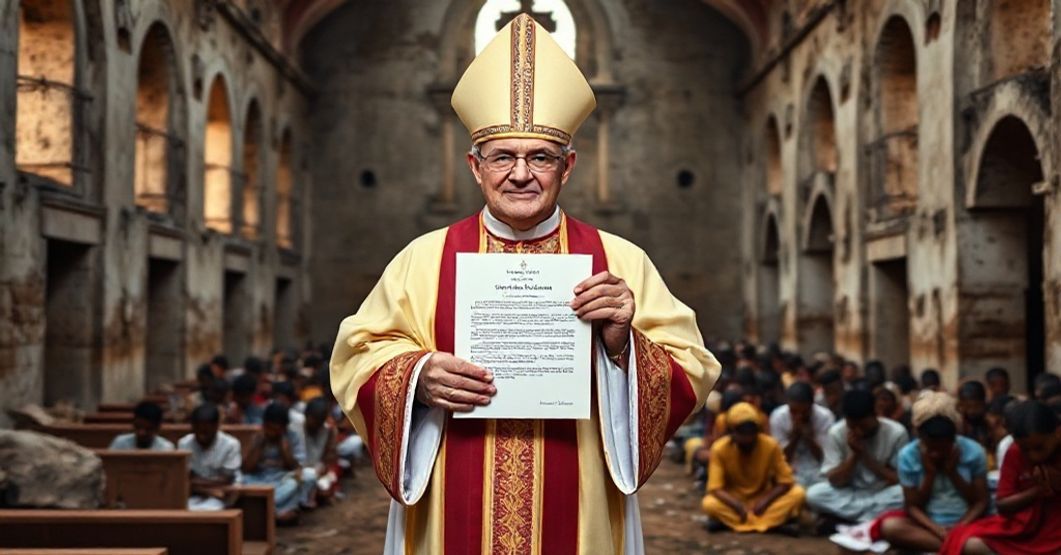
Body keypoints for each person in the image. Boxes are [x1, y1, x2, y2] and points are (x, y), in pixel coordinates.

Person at [329, 14, 719, 554]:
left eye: (540, 157)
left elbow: (693, 368)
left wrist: (622, 345)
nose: (520, 174)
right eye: (502, 158)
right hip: (451, 486)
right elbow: (356, 356)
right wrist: (416, 375)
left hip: (577, 487)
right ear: (475, 166)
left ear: (568, 167)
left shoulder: (619, 259)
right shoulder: (423, 259)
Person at [874, 391, 989, 552]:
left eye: (943, 449)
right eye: (931, 448)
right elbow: (913, 506)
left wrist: (953, 473)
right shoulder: (908, 455)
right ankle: (958, 548)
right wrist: (930, 474)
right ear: (920, 437)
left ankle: (953, 546)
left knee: (979, 542)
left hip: (968, 523)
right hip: (928, 526)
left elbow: (980, 502)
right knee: (890, 526)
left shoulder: (974, 451)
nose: (937, 454)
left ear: (953, 438)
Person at [942, 400, 1061, 554]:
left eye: (1039, 448)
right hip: (1023, 531)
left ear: (1058, 432)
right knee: (968, 543)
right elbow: (1003, 506)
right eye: (1026, 450)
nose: (1033, 456)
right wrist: (1038, 490)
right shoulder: (1014, 452)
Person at [806, 389, 908, 527]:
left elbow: (900, 479)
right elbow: (835, 481)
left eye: (863, 425)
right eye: (852, 426)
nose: (858, 431)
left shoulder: (896, 433)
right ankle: (870, 520)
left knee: (904, 494)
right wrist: (854, 455)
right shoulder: (836, 433)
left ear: (875, 414)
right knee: (814, 494)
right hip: (850, 493)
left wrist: (865, 456)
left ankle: (846, 520)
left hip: (882, 493)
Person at [701, 403, 805, 534]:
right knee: (709, 503)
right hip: (734, 501)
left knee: (798, 493)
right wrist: (738, 506)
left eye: (751, 434)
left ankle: (733, 523)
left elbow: (786, 481)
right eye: (742, 434)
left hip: (762, 500)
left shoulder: (770, 445)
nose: (747, 438)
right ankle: (773, 524)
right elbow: (715, 488)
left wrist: (765, 502)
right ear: (732, 432)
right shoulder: (719, 448)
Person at [242, 402, 311, 523]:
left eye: (276, 430)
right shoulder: (256, 436)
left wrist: (284, 449)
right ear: (264, 425)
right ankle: (277, 513)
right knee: (241, 480)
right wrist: (259, 446)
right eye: (269, 428)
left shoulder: (292, 437)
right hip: (258, 480)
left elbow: (295, 467)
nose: (271, 433)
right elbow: (247, 468)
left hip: (281, 479)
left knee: (303, 479)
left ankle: (264, 511)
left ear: (284, 428)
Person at [179, 403, 242, 511]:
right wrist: (208, 489)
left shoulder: (231, 444)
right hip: (196, 492)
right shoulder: (184, 443)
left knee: (212, 509)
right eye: (197, 431)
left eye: (206, 432)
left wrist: (195, 483)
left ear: (216, 426)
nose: (201, 436)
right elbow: (185, 477)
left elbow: (226, 479)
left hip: (225, 490)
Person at [770, 382, 835, 487]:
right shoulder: (778, 417)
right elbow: (782, 459)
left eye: (804, 412)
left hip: (818, 469)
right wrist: (795, 436)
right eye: (794, 412)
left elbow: (825, 458)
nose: (799, 416)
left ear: (812, 404)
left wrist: (809, 438)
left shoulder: (825, 417)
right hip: (792, 469)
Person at [303, 397, 340, 502]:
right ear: (306, 415)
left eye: (319, 422)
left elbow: (328, 458)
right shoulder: (296, 427)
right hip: (301, 472)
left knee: (326, 487)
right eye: (313, 421)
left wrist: (322, 468)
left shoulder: (327, 430)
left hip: (318, 470)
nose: (315, 426)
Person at [108, 401, 175, 451]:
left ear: (157, 428)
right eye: (138, 427)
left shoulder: (166, 448)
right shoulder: (120, 443)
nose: (141, 433)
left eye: (148, 429)